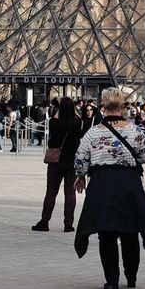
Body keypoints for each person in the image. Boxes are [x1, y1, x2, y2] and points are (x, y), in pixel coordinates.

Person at [73, 88, 145, 289]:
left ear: (103, 106)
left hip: (102, 184)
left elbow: (80, 159)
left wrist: (80, 176)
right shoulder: (134, 130)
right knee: (130, 231)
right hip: (128, 184)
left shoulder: (93, 132)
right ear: (122, 106)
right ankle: (131, 277)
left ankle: (112, 281)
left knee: (106, 233)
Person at [33, 96, 83, 231]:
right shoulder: (77, 123)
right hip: (71, 161)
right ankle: (68, 224)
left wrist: (58, 111)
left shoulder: (54, 122)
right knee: (70, 193)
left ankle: (44, 222)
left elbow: (51, 138)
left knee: (51, 192)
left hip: (56, 162)